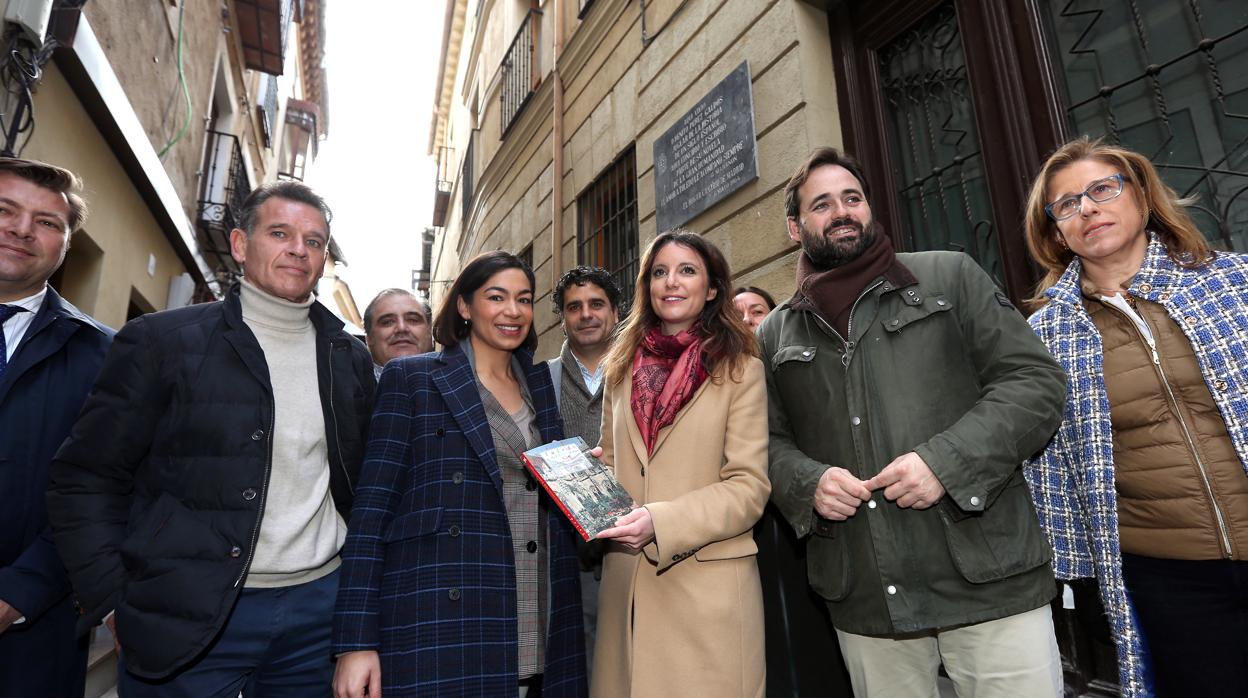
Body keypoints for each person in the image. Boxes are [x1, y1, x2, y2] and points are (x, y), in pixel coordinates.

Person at [47, 181, 375, 695]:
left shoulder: (348, 358)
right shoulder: (161, 341)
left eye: (314, 241)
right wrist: (112, 600)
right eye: (280, 233)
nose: (298, 249)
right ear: (241, 245)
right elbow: (85, 477)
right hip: (184, 611)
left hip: (318, 616)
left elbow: (363, 490)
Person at [762, 146, 1068, 697]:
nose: (843, 212)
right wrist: (807, 484)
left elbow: (1034, 384)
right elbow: (764, 442)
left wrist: (945, 463)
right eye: (822, 204)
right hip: (867, 594)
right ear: (794, 227)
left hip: (986, 579)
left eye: (853, 198)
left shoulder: (948, 275)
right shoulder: (775, 334)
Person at [1023, 137, 1248, 698]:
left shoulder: (1233, 281)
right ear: (1056, 233)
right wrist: (1083, 578)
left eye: (1102, 189)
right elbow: (1052, 467)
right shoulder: (1045, 336)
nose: (1088, 209)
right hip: (1167, 576)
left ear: (1142, 198)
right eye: (1067, 205)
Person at [333, 251, 587, 698]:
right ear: (465, 307)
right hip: (446, 612)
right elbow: (371, 514)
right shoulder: (413, 379)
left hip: (536, 603)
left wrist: (587, 478)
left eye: (524, 299)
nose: (513, 311)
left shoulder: (540, 384)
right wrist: (355, 643)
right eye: (497, 297)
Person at [591, 230, 770, 698]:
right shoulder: (620, 365)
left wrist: (661, 520)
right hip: (627, 590)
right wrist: (590, 480)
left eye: (687, 270)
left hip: (706, 592)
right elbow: (610, 460)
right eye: (659, 272)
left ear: (711, 288)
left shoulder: (742, 368)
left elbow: (749, 487)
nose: (671, 282)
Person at [0, 158, 111, 698]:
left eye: (47, 222)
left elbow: (107, 487)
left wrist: (22, 591)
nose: (22, 229)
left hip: (33, 634)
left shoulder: (108, 356)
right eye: (5, 210)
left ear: (66, 244)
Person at [734, 284, 849, 696]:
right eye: (738, 313)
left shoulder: (796, 368)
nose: (747, 320)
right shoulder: (720, 381)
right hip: (754, 528)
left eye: (757, 310)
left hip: (808, 523)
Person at [547, 265, 621, 674]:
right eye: (574, 307)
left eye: (596, 304)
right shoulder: (541, 380)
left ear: (615, 311)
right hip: (564, 559)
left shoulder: (643, 372)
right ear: (562, 318)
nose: (586, 314)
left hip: (635, 550)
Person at [363, 287, 433, 378]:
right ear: (369, 338)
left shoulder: (454, 383)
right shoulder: (346, 388)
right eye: (387, 322)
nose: (401, 328)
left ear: (429, 332)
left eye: (413, 320)